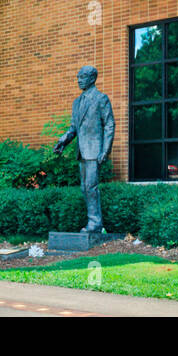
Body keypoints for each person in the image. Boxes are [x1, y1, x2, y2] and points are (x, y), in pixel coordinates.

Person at [53, 65, 116, 234]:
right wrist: (63, 141)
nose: (79, 80)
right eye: (78, 77)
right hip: (82, 151)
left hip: (95, 151)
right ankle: (94, 222)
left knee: (91, 187)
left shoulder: (101, 98)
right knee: (84, 188)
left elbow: (109, 125)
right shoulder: (77, 102)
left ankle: (95, 223)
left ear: (92, 78)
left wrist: (105, 150)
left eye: (82, 77)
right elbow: (74, 128)